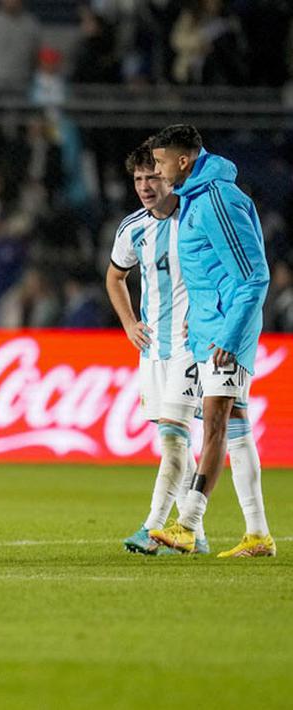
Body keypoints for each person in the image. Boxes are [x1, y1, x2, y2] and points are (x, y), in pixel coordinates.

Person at [148, 124, 275, 558]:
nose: (159, 173)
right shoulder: (196, 199)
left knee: (215, 420)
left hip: (227, 334)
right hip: (210, 330)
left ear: (184, 161)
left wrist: (226, 333)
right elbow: (211, 276)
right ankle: (258, 534)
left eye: (162, 163)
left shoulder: (218, 199)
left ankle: (188, 523)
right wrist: (200, 323)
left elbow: (255, 276)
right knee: (236, 430)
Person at [104, 141, 206, 556]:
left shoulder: (197, 218)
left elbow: (224, 271)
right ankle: (193, 531)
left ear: (169, 175)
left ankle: (153, 527)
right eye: (138, 179)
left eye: (153, 176)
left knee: (172, 439)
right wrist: (129, 324)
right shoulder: (132, 228)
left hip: (192, 345)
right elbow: (115, 277)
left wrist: (207, 313)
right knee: (174, 440)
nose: (145, 186)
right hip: (153, 349)